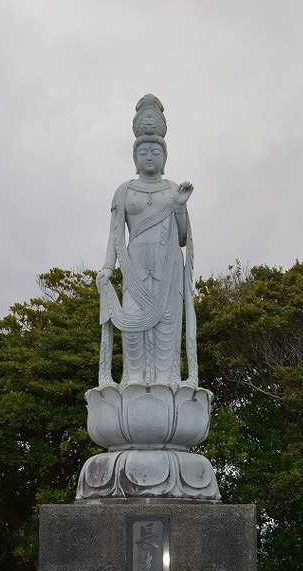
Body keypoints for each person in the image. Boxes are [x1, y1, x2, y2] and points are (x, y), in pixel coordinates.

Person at [97, 95, 198, 387]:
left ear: (165, 158)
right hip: (135, 263)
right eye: (144, 152)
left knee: (167, 322)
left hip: (167, 264)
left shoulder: (172, 190)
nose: (150, 157)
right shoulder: (124, 191)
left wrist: (179, 206)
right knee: (132, 321)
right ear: (135, 157)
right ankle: (134, 377)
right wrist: (107, 268)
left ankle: (167, 378)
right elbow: (115, 233)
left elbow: (182, 238)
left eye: (156, 151)